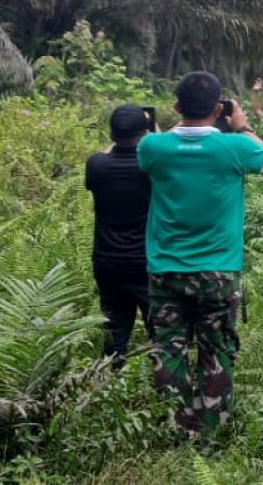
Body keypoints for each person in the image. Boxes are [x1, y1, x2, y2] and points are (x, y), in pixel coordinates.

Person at [138, 71, 263, 435]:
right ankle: (212, 429)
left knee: (168, 348)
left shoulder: (152, 147)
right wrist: (243, 126)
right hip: (218, 271)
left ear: (176, 107)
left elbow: (161, 145)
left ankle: (177, 426)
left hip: (165, 270)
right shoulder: (235, 147)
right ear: (220, 108)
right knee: (217, 349)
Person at [84, 105, 154, 365]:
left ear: (111, 135)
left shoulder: (97, 165)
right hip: (146, 262)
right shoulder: (151, 168)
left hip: (107, 260)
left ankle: (110, 384)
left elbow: (104, 156)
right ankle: (161, 388)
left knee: (114, 330)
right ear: (144, 132)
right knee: (159, 331)